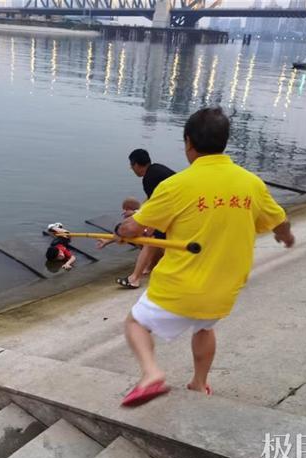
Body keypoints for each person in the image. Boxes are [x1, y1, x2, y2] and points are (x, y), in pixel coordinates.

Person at [115, 107, 295, 407]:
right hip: (224, 287)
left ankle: (151, 374)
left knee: (135, 324)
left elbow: (134, 228)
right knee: (204, 327)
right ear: (224, 140)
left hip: (179, 287)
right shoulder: (251, 183)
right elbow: (280, 222)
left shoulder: (175, 186)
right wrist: (285, 237)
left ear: (188, 142)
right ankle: (199, 384)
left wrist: (120, 229)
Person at [115, 149, 175, 289]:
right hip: (180, 208)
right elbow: (152, 199)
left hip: (175, 211)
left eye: (131, 165)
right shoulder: (157, 170)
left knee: (150, 240)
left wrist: (150, 226)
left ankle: (135, 278)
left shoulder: (149, 178)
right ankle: (152, 266)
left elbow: (156, 206)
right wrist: (138, 212)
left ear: (136, 164)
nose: (131, 168)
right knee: (155, 240)